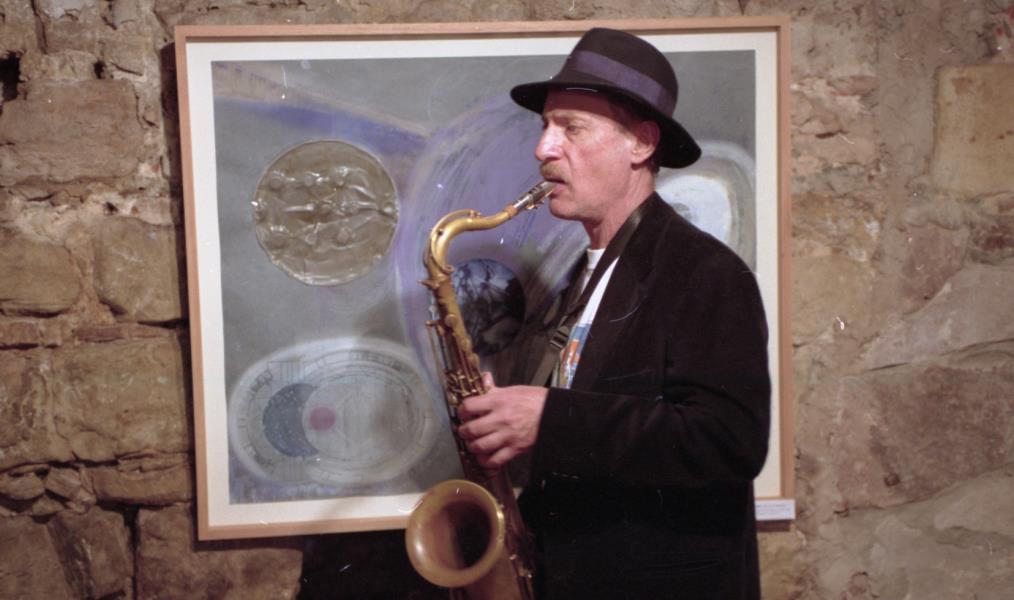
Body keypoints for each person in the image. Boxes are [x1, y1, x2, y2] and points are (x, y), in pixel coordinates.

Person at [456, 28, 771, 599]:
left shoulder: (706, 273)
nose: (543, 149)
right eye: (545, 126)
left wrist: (549, 419)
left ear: (641, 144)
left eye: (571, 128)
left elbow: (730, 441)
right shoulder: (584, 274)